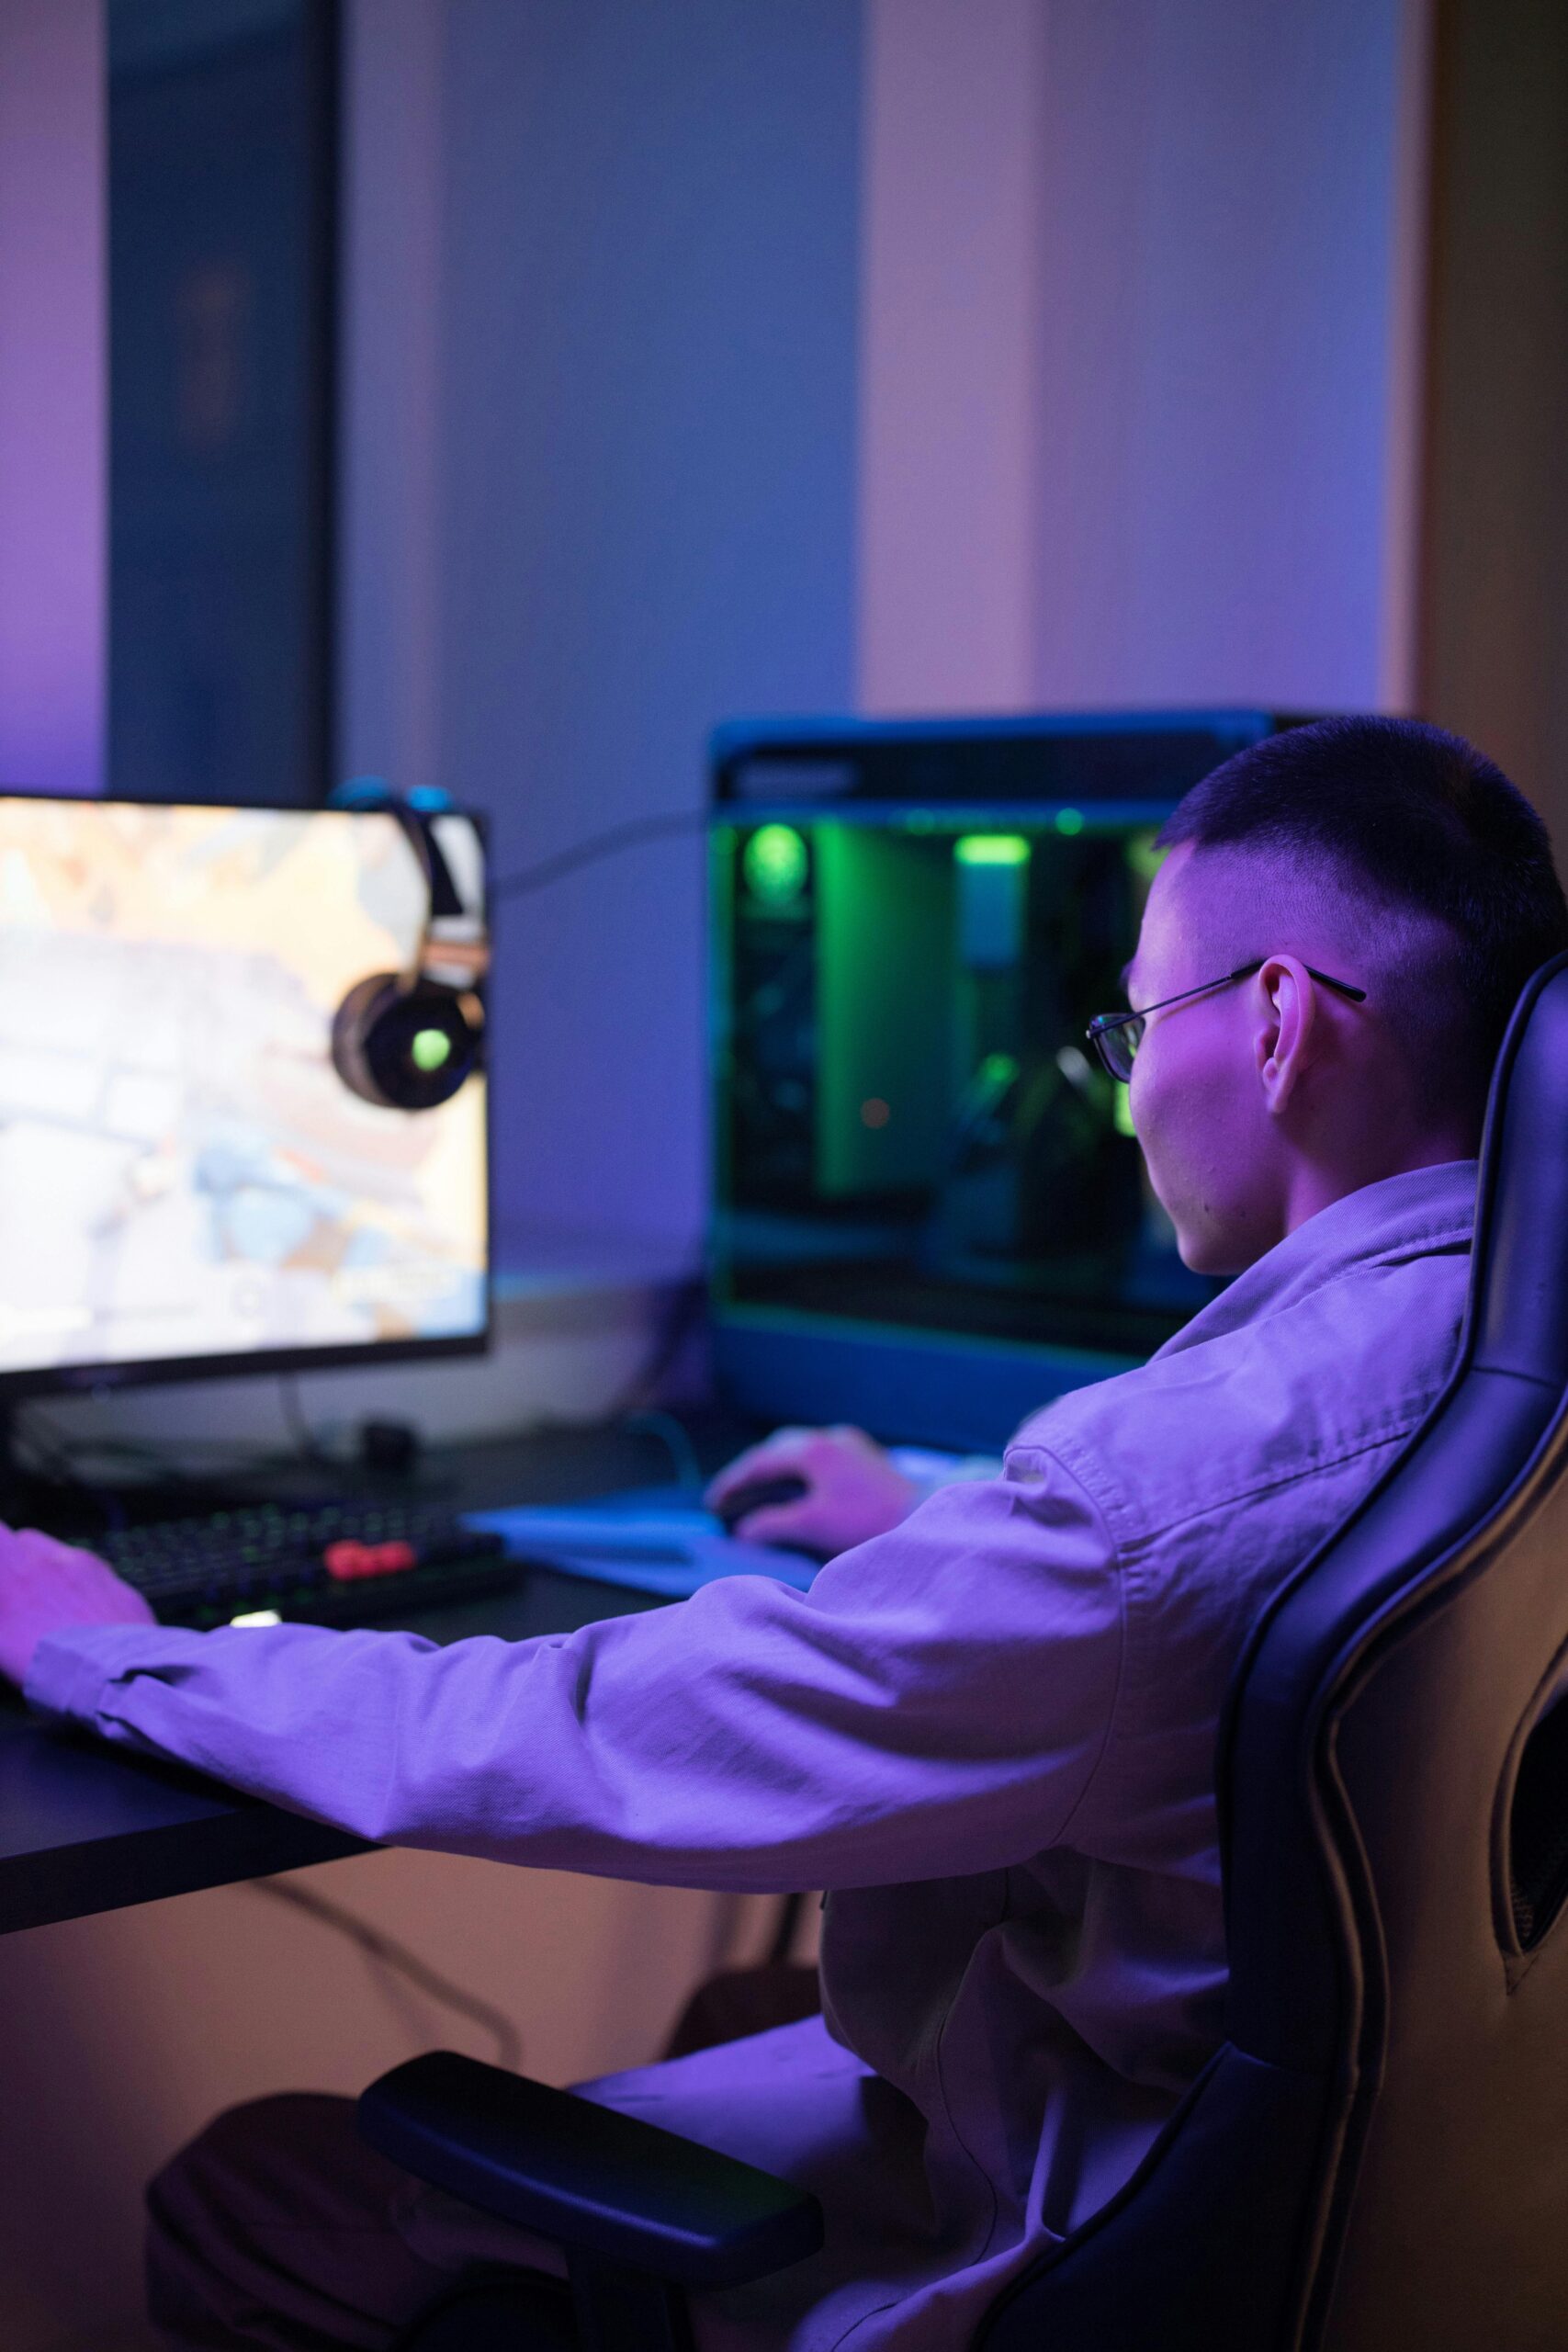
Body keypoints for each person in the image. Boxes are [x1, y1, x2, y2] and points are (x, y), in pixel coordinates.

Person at [2, 718, 1562, 2352]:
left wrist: (102, 1648)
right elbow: (1198, 1571)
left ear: (1276, 1029)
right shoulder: (1507, 1372)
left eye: (1131, 1028)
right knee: (744, 2007)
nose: (1121, 1098)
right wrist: (965, 1533)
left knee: (254, 2183)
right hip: (1398, 2233)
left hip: (1095, 2236)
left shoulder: (1147, 1510)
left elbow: (583, 1732)